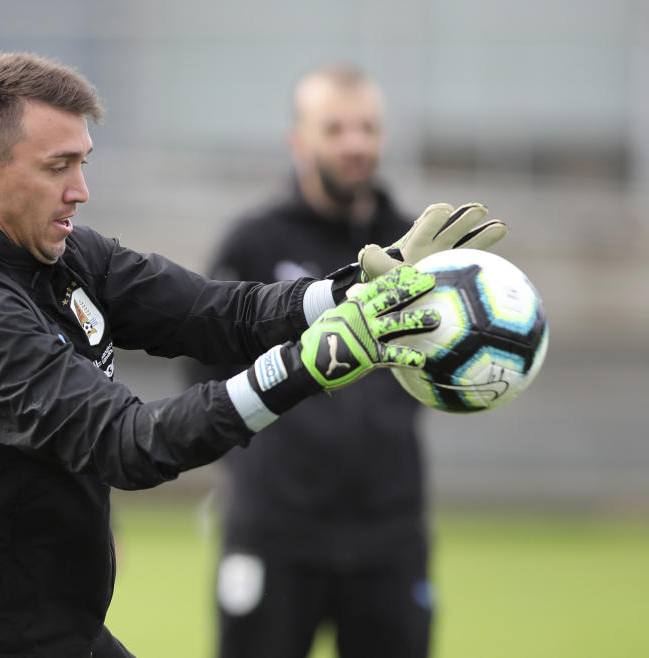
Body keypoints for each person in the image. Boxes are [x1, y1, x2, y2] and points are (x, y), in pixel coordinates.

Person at [0, 52, 505, 658]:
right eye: (57, 167)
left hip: (47, 633)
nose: (80, 190)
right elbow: (131, 443)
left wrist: (356, 289)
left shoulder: (61, 251)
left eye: (83, 162)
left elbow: (216, 313)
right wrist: (311, 363)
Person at [185, 64, 501, 658]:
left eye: (367, 128)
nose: (354, 144)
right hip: (275, 530)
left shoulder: (419, 247)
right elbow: (205, 374)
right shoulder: (253, 241)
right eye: (335, 129)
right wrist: (264, 476)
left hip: (389, 533)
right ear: (298, 140)